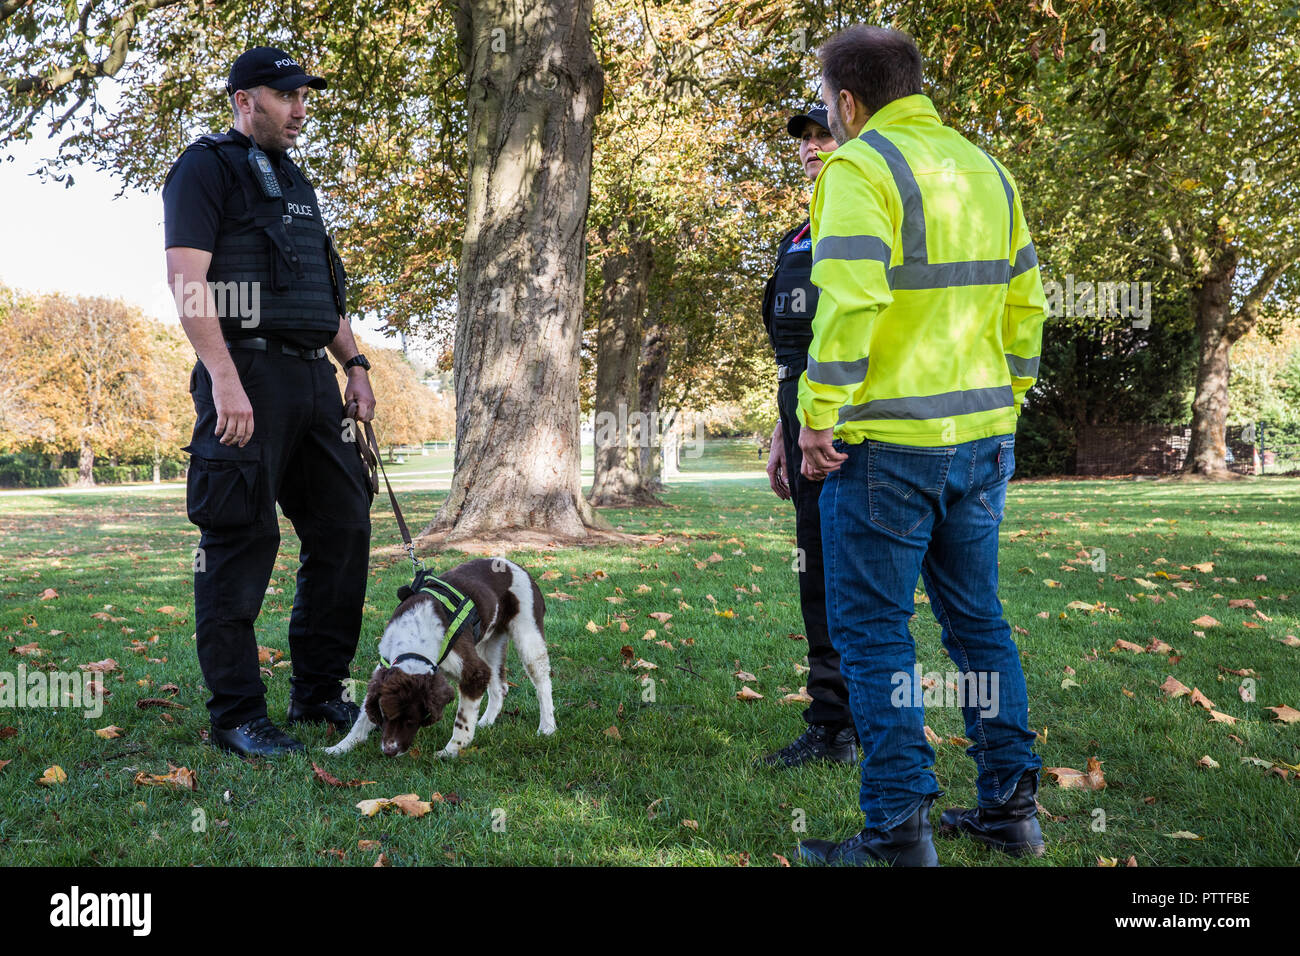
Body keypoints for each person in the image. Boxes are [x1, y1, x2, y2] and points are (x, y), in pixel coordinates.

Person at [793, 25, 1048, 865]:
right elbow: (1026, 308)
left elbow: (851, 304)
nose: (827, 114)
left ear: (850, 100)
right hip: (981, 443)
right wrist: (1006, 400)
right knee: (979, 624)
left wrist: (816, 415)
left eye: (826, 100)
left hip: (885, 450)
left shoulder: (859, 168)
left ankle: (898, 832)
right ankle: (1012, 810)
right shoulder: (989, 170)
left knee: (872, 637)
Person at [163, 47, 377, 758]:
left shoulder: (296, 183)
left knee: (345, 528)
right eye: (286, 95)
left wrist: (355, 365)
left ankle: (318, 690)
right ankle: (237, 717)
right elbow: (188, 282)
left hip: (313, 380)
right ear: (244, 99)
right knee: (240, 541)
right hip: (244, 374)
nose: (301, 108)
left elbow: (318, 288)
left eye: (304, 95)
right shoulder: (204, 168)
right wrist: (222, 376)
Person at [757, 105, 858, 768]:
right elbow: (794, 344)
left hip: (853, 417)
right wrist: (782, 425)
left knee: (858, 577)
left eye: (825, 132)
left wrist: (824, 420)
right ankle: (832, 724)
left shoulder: (863, 217)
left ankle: (868, 723)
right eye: (806, 138)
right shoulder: (800, 233)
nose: (812, 147)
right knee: (818, 572)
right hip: (803, 411)